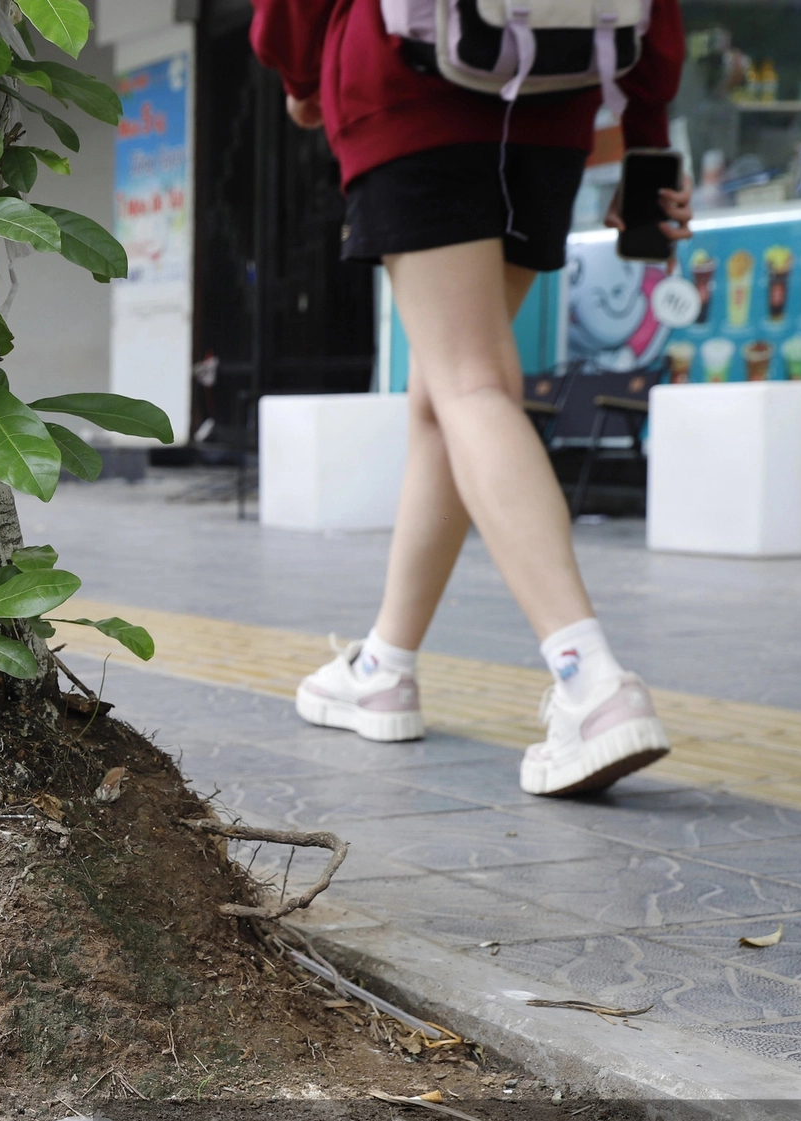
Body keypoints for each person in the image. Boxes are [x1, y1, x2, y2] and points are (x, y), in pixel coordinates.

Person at [251, 0, 692, 796]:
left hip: (410, 92)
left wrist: (299, 69)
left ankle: (591, 682)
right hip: (553, 108)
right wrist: (649, 133)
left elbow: (284, 16)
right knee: (444, 390)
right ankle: (385, 663)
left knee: (470, 381)